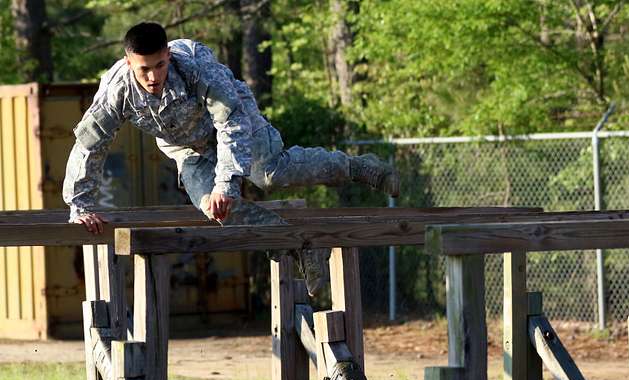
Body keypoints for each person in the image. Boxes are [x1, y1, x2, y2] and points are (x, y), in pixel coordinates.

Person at [63, 22, 399, 296]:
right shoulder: (115, 90)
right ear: (128, 62)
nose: (153, 77)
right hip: (186, 148)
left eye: (160, 65)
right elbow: (90, 145)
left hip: (235, 121)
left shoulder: (196, 69)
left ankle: (359, 167)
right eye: (144, 69)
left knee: (270, 174)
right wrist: (80, 206)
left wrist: (227, 182)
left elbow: (230, 123)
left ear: (168, 55)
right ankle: (299, 245)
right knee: (214, 206)